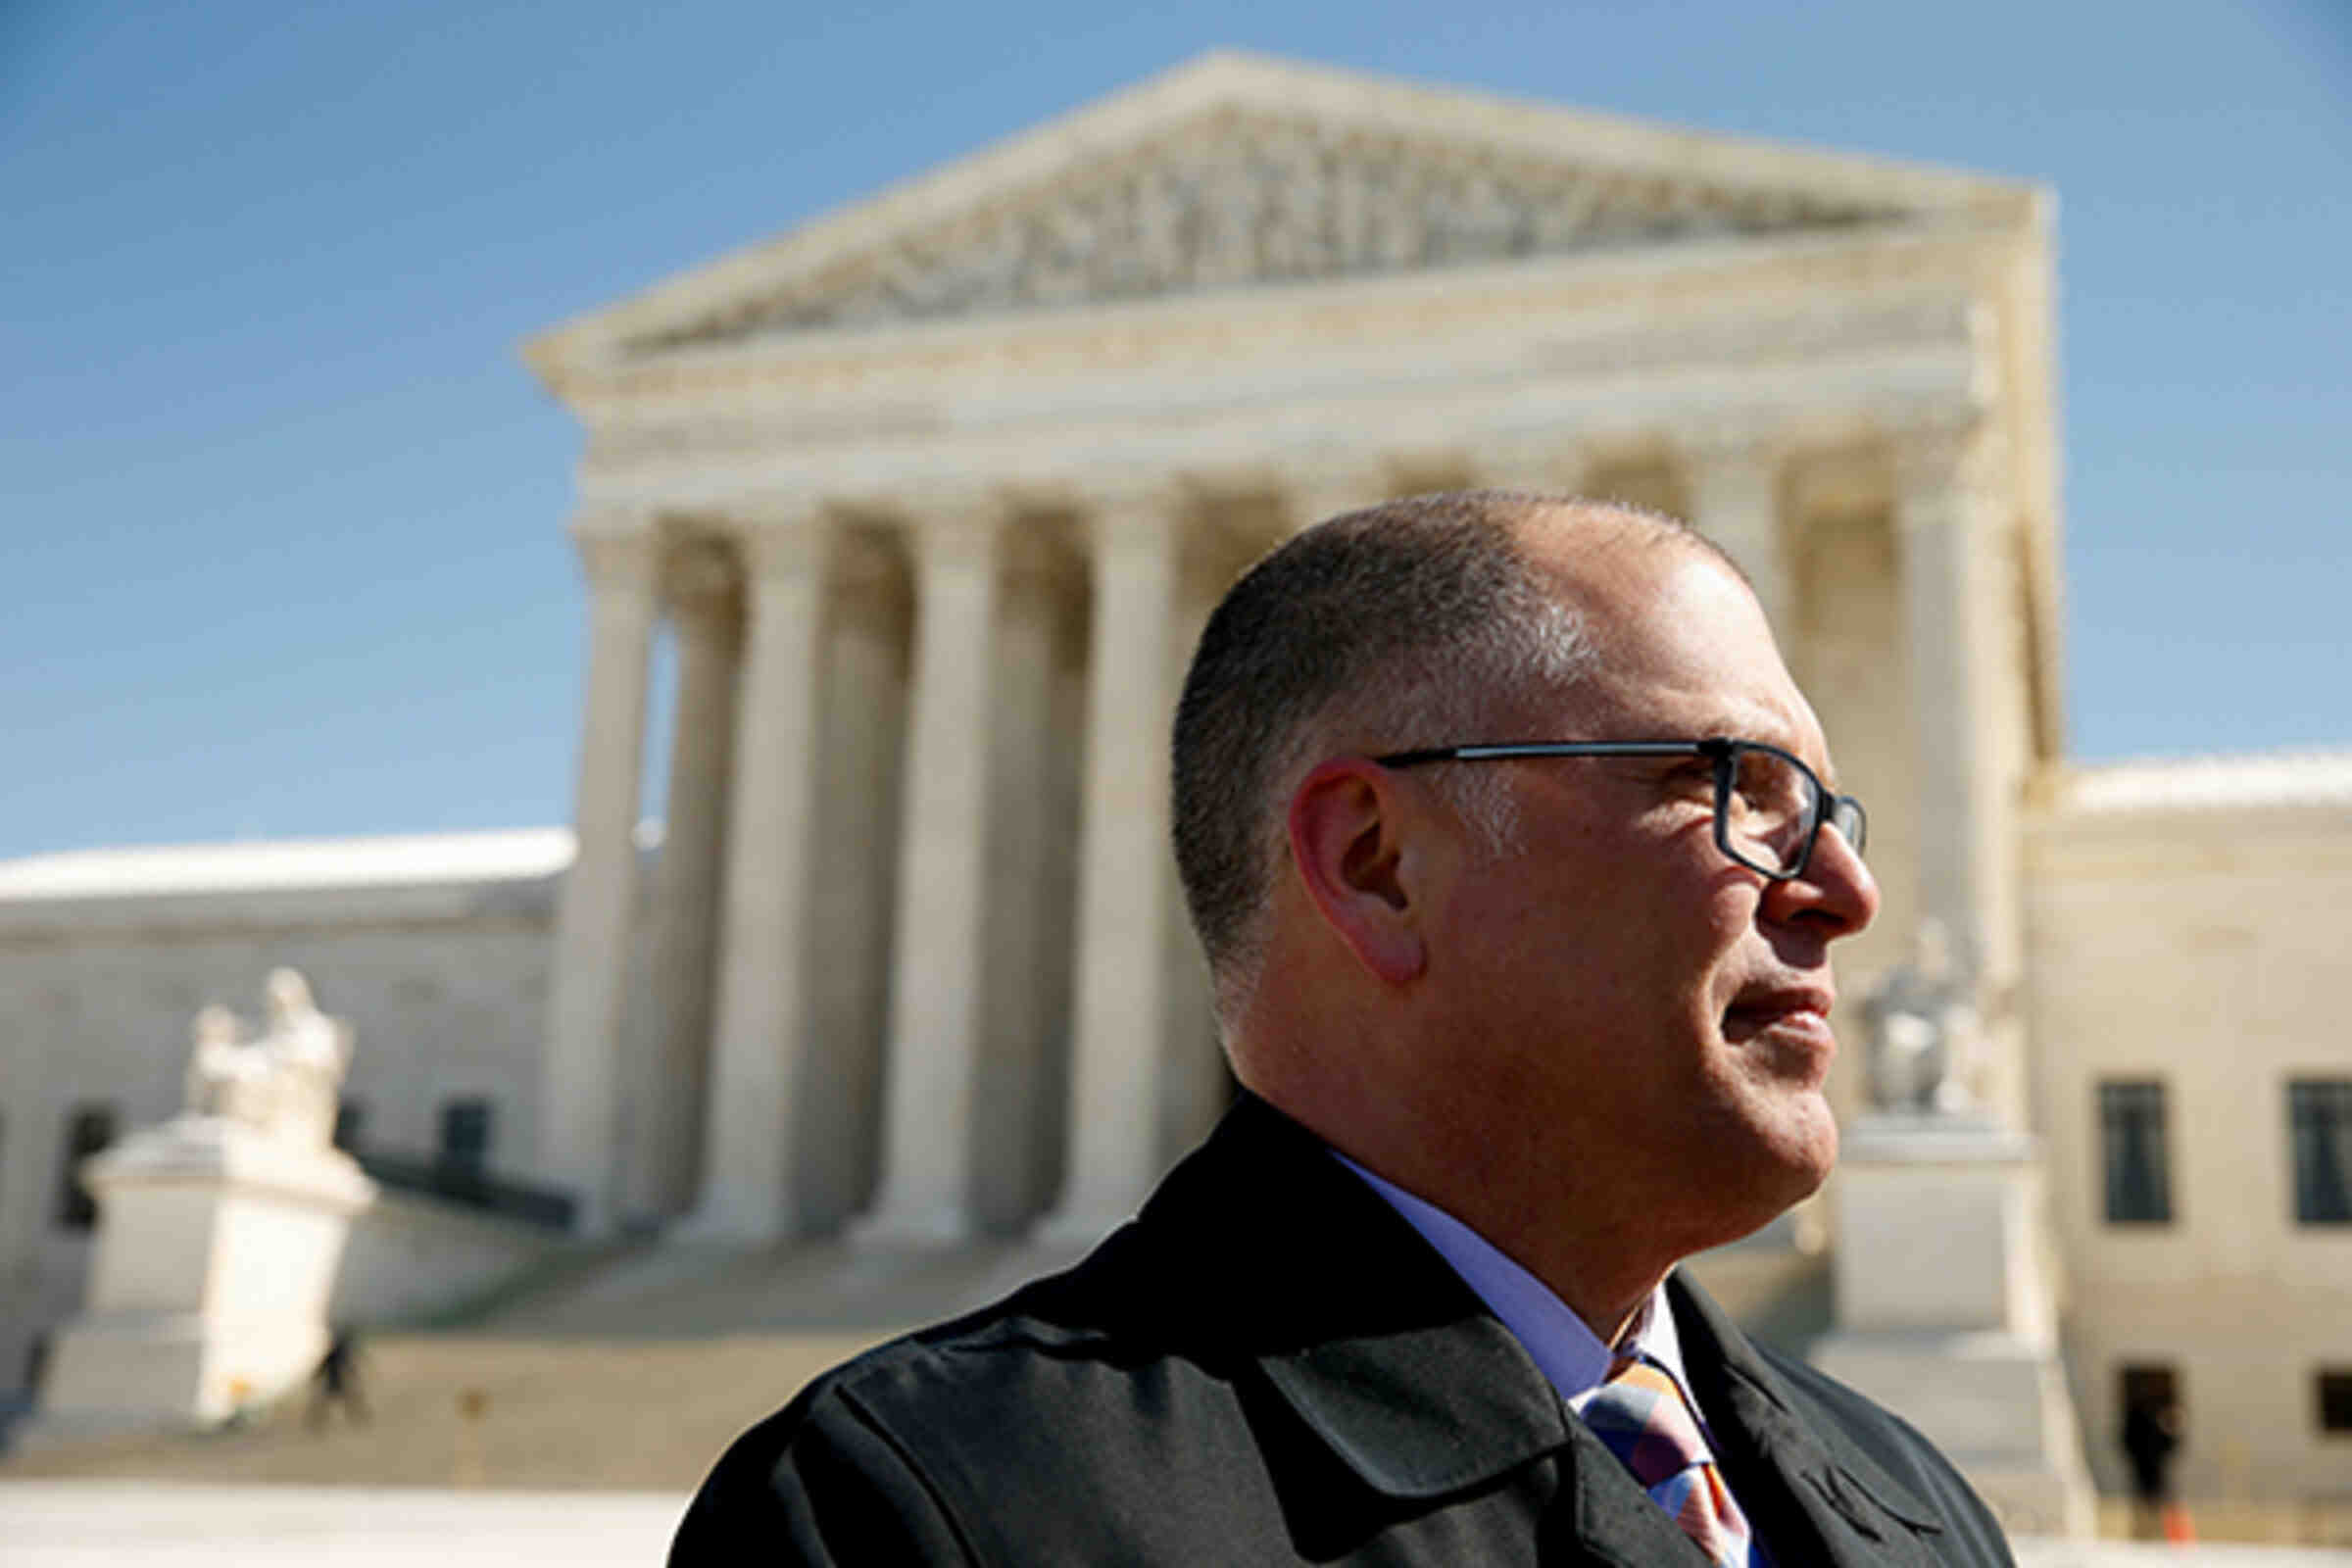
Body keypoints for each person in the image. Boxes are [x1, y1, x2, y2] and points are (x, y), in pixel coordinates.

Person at [672, 491, 2015, 1565]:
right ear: (1376, 863)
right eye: (1729, 785)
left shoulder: (1912, 1503)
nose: (1848, 894)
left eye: (1828, 815)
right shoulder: (911, 1521)